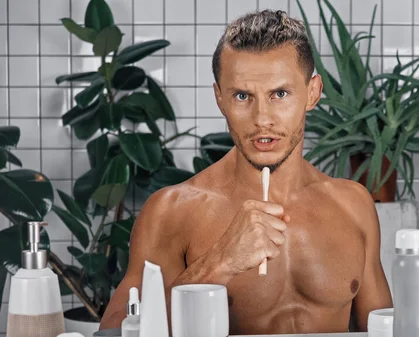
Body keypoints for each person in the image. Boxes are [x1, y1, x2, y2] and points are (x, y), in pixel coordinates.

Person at [99, 9, 392, 334]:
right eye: (242, 96)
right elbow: (114, 332)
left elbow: (386, 329)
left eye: (279, 94)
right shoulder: (172, 211)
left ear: (312, 93)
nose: (262, 118)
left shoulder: (353, 204)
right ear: (220, 98)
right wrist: (219, 263)